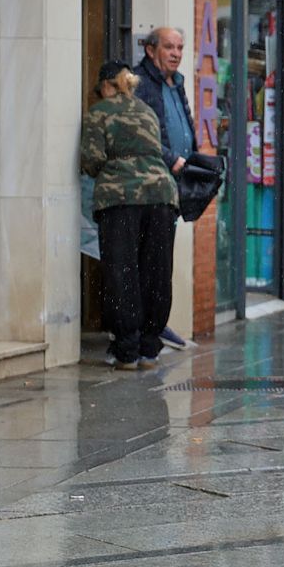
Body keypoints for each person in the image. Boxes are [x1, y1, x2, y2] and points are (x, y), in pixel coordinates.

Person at [80, 62, 180, 371]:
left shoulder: (99, 112)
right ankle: (150, 348)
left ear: (106, 86)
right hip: (162, 195)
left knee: (122, 271)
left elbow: (93, 160)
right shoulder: (146, 110)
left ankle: (126, 349)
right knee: (156, 271)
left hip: (120, 197)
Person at [132, 27, 196, 352]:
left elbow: (183, 124)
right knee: (151, 262)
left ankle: (155, 326)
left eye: (180, 47)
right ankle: (145, 330)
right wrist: (172, 159)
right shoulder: (142, 82)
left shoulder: (177, 82)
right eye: (169, 47)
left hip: (174, 184)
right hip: (152, 186)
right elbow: (148, 132)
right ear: (151, 50)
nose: (175, 53)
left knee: (162, 263)